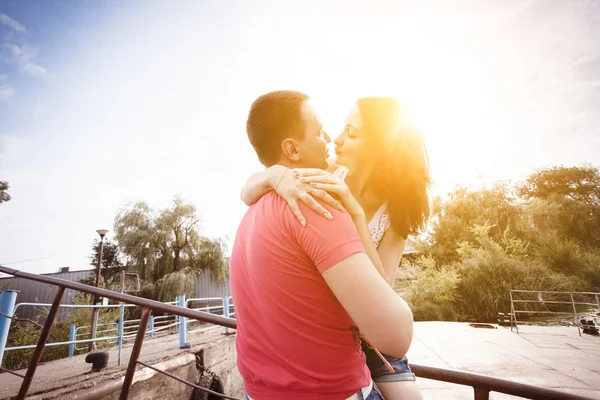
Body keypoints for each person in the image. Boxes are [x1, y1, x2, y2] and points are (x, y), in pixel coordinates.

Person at [241, 96, 431, 399]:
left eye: (352, 134)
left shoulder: (396, 213)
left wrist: (354, 212)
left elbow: (382, 291)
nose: (337, 140)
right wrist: (278, 176)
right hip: (336, 334)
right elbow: (249, 188)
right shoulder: (326, 173)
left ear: (382, 147)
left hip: (372, 338)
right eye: (342, 128)